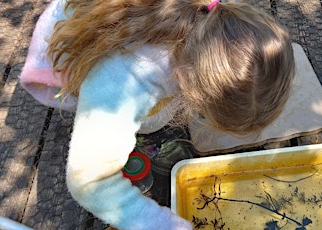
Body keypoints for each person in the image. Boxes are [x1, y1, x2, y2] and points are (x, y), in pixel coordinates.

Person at [20, 0, 295, 229]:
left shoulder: (221, 25)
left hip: (120, 23)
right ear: (184, 81)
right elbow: (88, 182)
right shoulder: (122, 82)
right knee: (102, 133)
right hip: (68, 44)